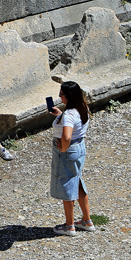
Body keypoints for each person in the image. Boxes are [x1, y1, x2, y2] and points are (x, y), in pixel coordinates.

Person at [49, 81, 95, 237]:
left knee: (67, 186)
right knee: (77, 182)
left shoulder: (68, 115)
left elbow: (67, 136)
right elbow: (74, 126)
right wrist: (59, 115)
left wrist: (62, 148)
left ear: (68, 96)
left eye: (61, 94)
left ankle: (69, 226)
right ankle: (86, 221)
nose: (59, 96)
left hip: (67, 152)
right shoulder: (83, 108)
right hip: (79, 148)